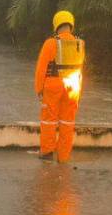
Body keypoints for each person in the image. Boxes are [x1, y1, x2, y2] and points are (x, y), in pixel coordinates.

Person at [35, 10, 85, 163]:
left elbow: (41, 68)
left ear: (56, 25)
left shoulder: (51, 43)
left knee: (49, 120)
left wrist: (39, 88)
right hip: (73, 87)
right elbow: (80, 68)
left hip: (53, 85)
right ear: (71, 25)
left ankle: (47, 151)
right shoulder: (80, 43)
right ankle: (63, 157)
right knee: (67, 122)